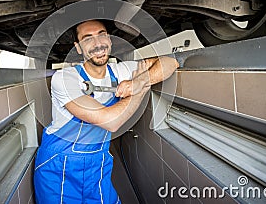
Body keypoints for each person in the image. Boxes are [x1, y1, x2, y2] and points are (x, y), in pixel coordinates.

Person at [34, 19, 178, 203]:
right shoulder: (65, 78)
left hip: (97, 166)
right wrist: (139, 92)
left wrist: (139, 82)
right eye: (88, 39)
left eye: (101, 35)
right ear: (78, 48)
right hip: (59, 168)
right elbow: (110, 121)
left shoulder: (120, 71)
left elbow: (170, 62)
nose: (97, 44)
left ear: (109, 40)